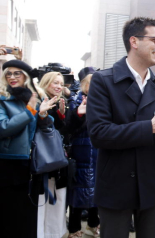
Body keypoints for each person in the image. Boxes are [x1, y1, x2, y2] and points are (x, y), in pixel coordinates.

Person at [86, 17, 155, 238]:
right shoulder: (103, 81)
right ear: (134, 41)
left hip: (153, 183)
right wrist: (150, 127)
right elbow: (99, 134)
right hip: (116, 182)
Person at [0, 60, 55, 238]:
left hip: (33, 164)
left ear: (26, 76)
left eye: (17, 73)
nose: (12, 77)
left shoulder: (34, 97)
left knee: (28, 214)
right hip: (8, 163)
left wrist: (43, 114)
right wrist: (30, 110)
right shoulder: (3, 98)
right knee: (9, 214)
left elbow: (47, 127)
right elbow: (4, 128)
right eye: (9, 73)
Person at [66, 67, 100, 238]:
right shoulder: (75, 100)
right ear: (85, 84)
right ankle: (74, 227)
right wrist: (79, 115)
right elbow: (69, 128)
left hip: (98, 152)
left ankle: (93, 225)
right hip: (81, 151)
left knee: (96, 190)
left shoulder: (102, 100)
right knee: (78, 192)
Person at [38, 71, 70, 238]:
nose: (59, 86)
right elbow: (43, 129)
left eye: (61, 83)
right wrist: (43, 114)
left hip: (56, 159)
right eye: (55, 83)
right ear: (46, 83)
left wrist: (61, 114)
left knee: (56, 198)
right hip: (45, 159)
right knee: (44, 200)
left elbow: (61, 130)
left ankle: (53, 233)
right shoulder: (39, 99)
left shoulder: (56, 102)